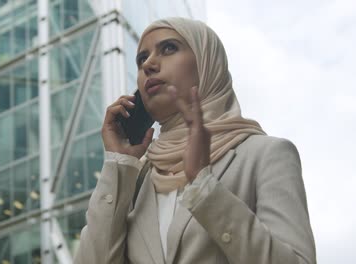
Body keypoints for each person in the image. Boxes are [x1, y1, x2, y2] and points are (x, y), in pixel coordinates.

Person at [74, 17, 316, 264]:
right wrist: (120, 164)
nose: (148, 64)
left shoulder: (265, 154)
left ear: (207, 62)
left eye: (168, 48)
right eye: (141, 59)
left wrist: (204, 186)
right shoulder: (136, 180)